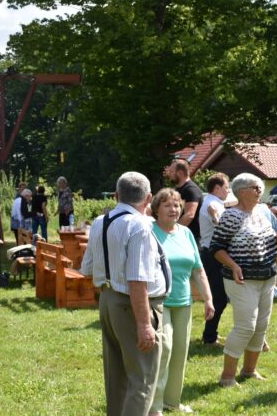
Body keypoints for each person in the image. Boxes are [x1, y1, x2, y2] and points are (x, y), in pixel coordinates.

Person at [80, 171, 171, 415]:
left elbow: (87, 267)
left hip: (108, 300)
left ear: (117, 195)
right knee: (142, 380)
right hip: (135, 304)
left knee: (116, 377)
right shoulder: (140, 225)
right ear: (149, 198)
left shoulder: (101, 221)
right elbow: (138, 279)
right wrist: (144, 324)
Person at [209, 173, 277, 387]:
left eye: (260, 187)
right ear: (242, 192)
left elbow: (266, 238)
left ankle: (249, 371)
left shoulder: (262, 211)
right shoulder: (231, 216)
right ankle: (227, 377)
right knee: (245, 327)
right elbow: (216, 248)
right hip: (241, 279)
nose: (260, 191)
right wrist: (233, 265)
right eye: (255, 188)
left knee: (261, 326)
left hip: (267, 276)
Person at [150, 188, 214, 414]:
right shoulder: (150, 232)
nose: (173, 209)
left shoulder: (186, 233)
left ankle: (172, 402)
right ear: (156, 209)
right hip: (158, 301)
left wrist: (208, 298)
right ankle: (154, 405)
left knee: (179, 352)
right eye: (167, 205)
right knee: (164, 348)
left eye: (177, 205)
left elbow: (198, 270)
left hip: (184, 302)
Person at [198, 172, 231, 348]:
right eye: (226, 187)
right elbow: (214, 213)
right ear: (217, 188)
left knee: (220, 297)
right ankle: (209, 337)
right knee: (219, 298)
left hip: (211, 254)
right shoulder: (212, 203)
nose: (228, 190)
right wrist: (220, 221)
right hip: (213, 255)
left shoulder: (213, 201)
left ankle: (210, 334)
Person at [166, 159, 203, 246]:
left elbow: (189, 215)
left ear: (180, 173)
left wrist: (172, 230)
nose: (169, 174)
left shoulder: (191, 189)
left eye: (171, 171)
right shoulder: (178, 189)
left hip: (191, 239)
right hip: (182, 237)